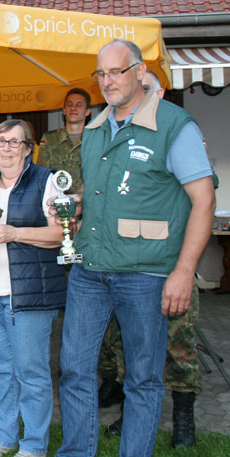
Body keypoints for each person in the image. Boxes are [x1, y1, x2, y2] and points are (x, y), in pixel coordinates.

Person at [56, 40, 215, 457]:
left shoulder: (173, 125)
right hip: (90, 269)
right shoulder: (95, 128)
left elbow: (203, 200)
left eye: (116, 72)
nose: (107, 81)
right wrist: (76, 204)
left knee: (142, 379)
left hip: (146, 273)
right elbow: (98, 187)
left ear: (140, 72)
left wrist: (184, 271)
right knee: (74, 370)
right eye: (101, 74)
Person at [102, 69, 208, 449]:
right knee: (129, 346)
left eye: (145, 91)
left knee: (179, 344)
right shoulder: (124, 140)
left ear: (158, 95)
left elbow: (202, 200)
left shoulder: (180, 135)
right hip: (131, 265)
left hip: (172, 263)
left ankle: (183, 418)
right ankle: (132, 412)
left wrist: (184, 270)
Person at [0, 120, 66, 457]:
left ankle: (33, 445)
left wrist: (13, 232)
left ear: (28, 148)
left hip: (29, 293)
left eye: (14, 142)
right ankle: (4, 438)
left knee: (31, 371)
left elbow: (60, 234)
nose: (6, 148)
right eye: (1, 142)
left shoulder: (46, 181)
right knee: (0, 370)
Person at [37, 88, 92, 193]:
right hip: (56, 199)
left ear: (88, 111)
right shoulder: (50, 139)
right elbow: (41, 175)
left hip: (87, 200)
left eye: (79, 105)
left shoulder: (95, 140)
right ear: (64, 110)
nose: (73, 108)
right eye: (69, 104)